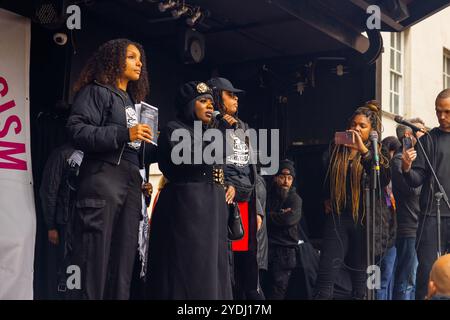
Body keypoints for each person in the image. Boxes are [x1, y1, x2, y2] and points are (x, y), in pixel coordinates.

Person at [66, 38, 156, 299]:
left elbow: (129, 146)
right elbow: (77, 130)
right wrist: (124, 134)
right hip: (102, 179)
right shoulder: (96, 91)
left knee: (124, 261)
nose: (138, 63)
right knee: (93, 259)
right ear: (114, 59)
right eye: (130, 57)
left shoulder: (130, 101)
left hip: (129, 183)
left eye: (140, 59)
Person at [146, 81, 233, 300]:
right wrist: (221, 132)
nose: (209, 106)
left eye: (211, 102)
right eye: (202, 101)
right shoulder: (174, 129)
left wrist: (229, 183)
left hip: (212, 204)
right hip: (187, 205)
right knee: (190, 267)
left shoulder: (208, 132)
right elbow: (194, 159)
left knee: (213, 266)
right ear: (189, 105)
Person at [314, 102, 391, 300]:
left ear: (372, 131)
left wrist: (364, 151)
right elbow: (322, 178)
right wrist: (326, 198)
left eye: (362, 126)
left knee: (362, 284)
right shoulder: (336, 151)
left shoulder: (376, 154)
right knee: (325, 277)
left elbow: (382, 179)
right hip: (339, 217)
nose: (356, 128)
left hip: (366, 221)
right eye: (354, 124)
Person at [207, 77, 264, 299]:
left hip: (246, 202)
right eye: (230, 94)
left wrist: (257, 207)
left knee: (245, 267)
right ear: (217, 96)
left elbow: (254, 171)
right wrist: (223, 184)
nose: (235, 98)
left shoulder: (243, 127)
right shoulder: (210, 125)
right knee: (226, 266)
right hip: (227, 202)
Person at [402, 89, 450, 300]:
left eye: (447, 112)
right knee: (427, 275)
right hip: (432, 216)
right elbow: (416, 179)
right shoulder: (428, 140)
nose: (441, 117)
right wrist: (406, 167)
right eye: (438, 111)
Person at [39, 143, 83, 297]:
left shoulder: (93, 155)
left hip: (83, 225)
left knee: (76, 269)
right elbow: (49, 189)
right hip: (63, 223)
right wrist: (51, 225)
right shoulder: (62, 154)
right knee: (62, 270)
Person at [391, 118, 426, 300]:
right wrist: (423, 178)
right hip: (408, 228)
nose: (424, 134)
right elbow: (413, 190)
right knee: (407, 280)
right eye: (420, 131)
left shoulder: (419, 160)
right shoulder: (398, 161)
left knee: (417, 279)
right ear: (408, 135)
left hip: (420, 227)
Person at [265, 159, 303, 300]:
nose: (286, 181)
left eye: (289, 178)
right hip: (267, 250)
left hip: (285, 253)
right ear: (275, 178)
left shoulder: (295, 199)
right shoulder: (268, 197)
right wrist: (278, 215)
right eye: (282, 177)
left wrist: (268, 216)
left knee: (278, 292)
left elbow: (289, 220)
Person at [375, 136, 400, 300]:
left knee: (388, 280)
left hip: (391, 237)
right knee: (379, 282)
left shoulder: (395, 179)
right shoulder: (377, 178)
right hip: (377, 237)